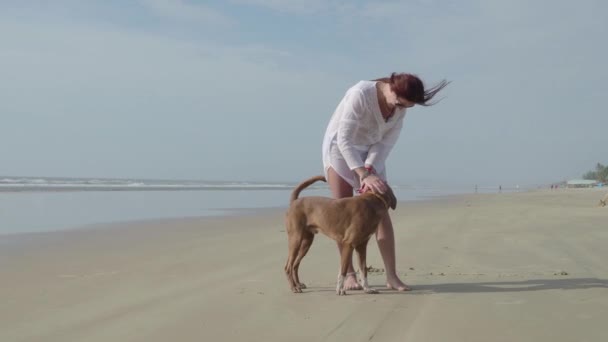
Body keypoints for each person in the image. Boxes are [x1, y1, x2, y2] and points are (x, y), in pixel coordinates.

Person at [321, 72, 449, 291]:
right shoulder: (359, 94)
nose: (399, 109)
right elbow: (344, 139)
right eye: (399, 103)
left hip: (371, 152)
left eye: (407, 107)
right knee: (343, 212)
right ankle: (349, 274)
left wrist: (370, 168)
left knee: (380, 211)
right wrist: (362, 173)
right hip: (341, 150)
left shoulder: (401, 108)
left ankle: (392, 276)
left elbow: (385, 143)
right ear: (390, 87)